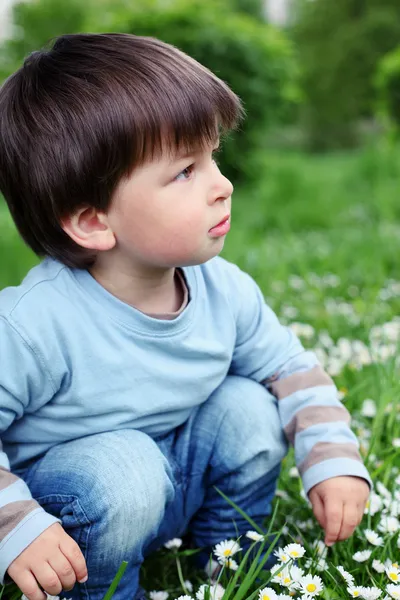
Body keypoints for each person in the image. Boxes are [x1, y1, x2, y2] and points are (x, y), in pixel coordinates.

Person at [0, 33, 371, 600]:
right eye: (185, 172)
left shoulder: (223, 291)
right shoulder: (35, 323)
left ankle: (228, 561)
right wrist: (16, 527)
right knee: (125, 466)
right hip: (74, 518)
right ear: (94, 221)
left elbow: (292, 370)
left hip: (171, 486)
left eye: (213, 157)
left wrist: (333, 461)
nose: (222, 186)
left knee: (250, 406)